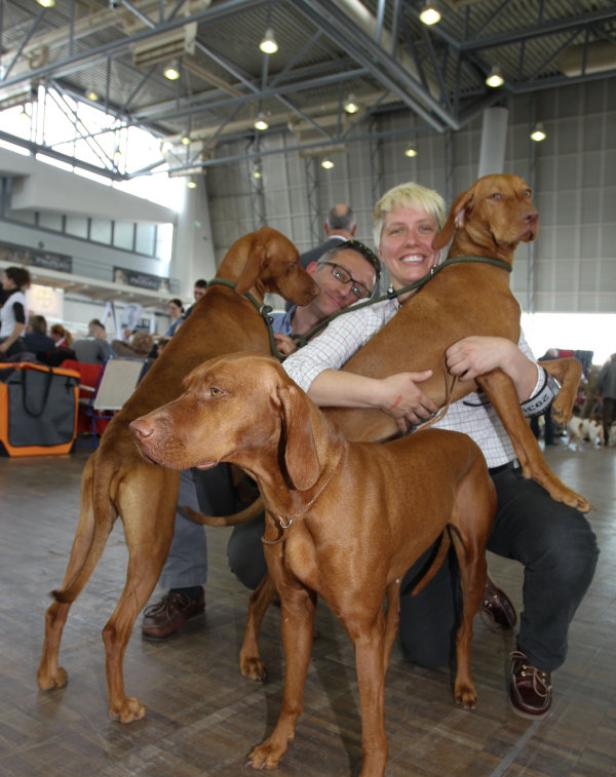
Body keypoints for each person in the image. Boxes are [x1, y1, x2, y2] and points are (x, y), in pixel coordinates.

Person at [281, 180, 598, 720]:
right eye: (398, 230)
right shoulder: (366, 319)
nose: (412, 240)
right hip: (413, 491)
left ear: (444, 236)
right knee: (428, 653)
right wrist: (381, 393)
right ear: (382, 245)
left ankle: (535, 655)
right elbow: (292, 375)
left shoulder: (478, 296)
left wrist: (509, 357)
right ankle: (474, 580)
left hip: (493, 473)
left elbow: (540, 399)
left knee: (569, 547)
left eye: (424, 229)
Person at [140, 241, 382, 639]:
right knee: (173, 463)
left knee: (249, 560)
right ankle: (184, 589)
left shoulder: (358, 351)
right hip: (234, 470)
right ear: (312, 269)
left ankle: (306, 583)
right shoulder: (254, 319)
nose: (345, 290)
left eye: (359, 289)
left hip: (298, 484)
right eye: (340, 274)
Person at [0, 266, 29, 359]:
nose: (2, 281)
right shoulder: (14, 298)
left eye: (4, 278)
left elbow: (20, 323)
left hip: (11, 344)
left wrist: (7, 344)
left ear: (11, 281)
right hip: (9, 342)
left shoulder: (17, 298)